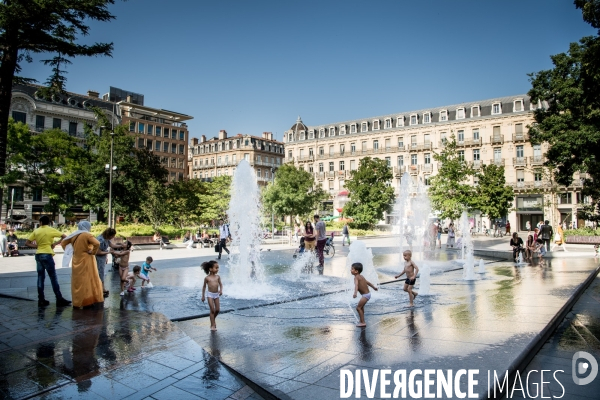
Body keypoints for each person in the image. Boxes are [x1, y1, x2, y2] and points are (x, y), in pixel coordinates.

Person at [25, 216, 71, 307]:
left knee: (40, 277)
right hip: (47, 254)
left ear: (41, 222)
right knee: (53, 277)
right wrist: (54, 244)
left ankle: (41, 299)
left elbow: (27, 243)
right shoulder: (51, 230)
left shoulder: (36, 231)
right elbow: (65, 237)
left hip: (38, 255)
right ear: (48, 222)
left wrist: (37, 246)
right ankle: (59, 298)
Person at [60, 221, 104, 308]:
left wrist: (72, 251)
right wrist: (93, 252)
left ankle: (77, 301)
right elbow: (97, 243)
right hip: (86, 259)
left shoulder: (74, 235)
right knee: (88, 280)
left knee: (77, 282)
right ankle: (87, 300)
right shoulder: (87, 235)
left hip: (76, 259)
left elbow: (63, 243)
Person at [351, 262, 378, 327]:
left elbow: (356, 285)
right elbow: (367, 282)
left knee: (358, 308)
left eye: (352, 269)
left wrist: (355, 293)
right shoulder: (361, 276)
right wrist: (373, 287)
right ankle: (361, 320)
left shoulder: (356, 277)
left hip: (365, 295)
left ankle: (363, 322)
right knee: (361, 307)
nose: (350, 270)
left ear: (356, 271)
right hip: (367, 294)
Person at [95, 227, 120, 297]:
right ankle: (101, 289)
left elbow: (112, 245)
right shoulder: (101, 240)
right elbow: (97, 252)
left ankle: (102, 288)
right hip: (98, 258)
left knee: (101, 272)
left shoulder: (106, 239)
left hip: (102, 258)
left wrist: (122, 245)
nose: (113, 237)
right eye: (113, 236)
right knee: (100, 273)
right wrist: (108, 252)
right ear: (109, 235)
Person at [201, 260, 223, 331]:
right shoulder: (207, 278)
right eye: (216, 268)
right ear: (210, 269)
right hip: (210, 295)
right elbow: (204, 287)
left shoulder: (218, 277)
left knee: (217, 309)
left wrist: (220, 290)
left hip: (216, 294)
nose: (217, 269)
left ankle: (212, 319)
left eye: (218, 268)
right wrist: (203, 296)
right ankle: (213, 325)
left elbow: (221, 284)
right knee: (212, 310)